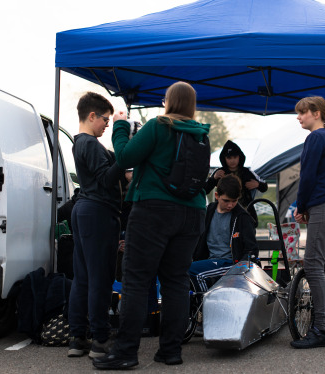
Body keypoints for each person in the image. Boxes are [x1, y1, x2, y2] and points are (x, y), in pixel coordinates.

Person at [92, 81, 210, 369]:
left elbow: (125, 157)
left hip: (154, 210)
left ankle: (125, 353)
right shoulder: (201, 136)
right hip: (193, 212)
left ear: (169, 101)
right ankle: (170, 351)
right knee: (176, 282)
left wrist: (119, 127)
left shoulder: (159, 126)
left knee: (136, 281)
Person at [68, 92, 125, 358]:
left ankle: (78, 338)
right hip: (98, 212)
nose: (107, 125)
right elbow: (105, 178)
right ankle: (100, 340)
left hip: (84, 211)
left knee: (82, 277)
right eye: (105, 119)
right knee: (100, 278)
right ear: (92, 116)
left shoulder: (80, 143)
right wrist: (122, 161)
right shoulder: (90, 144)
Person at [290, 96, 325, 349]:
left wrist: (300, 207)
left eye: (302, 113)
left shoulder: (316, 137)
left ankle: (321, 330)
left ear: (315, 113)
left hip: (324, 206)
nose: (299, 117)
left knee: (313, 265)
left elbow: (307, 176)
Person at [190, 174, 258, 292]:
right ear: (217, 195)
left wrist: (237, 269)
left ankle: (204, 304)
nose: (230, 205)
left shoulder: (243, 217)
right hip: (210, 262)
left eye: (234, 201)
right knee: (178, 270)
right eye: (226, 201)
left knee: (191, 271)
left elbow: (251, 249)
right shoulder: (207, 211)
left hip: (231, 264)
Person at [204, 140, 268, 223]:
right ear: (224, 158)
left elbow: (264, 187)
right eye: (229, 158)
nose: (232, 160)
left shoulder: (247, 172)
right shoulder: (218, 172)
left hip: (244, 211)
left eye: (235, 157)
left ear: (239, 157)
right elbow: (205, 190)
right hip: (223, 212)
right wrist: (213, 178)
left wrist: (258, 184)